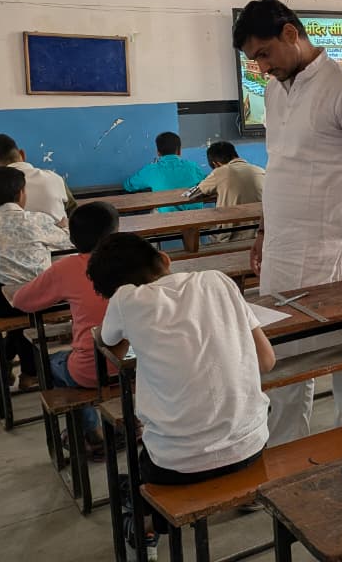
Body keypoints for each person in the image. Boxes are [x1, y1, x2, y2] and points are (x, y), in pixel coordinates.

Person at [233, 0, 342, 442]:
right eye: (254, 60)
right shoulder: (274, 91)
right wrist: (263, 231)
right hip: (282, 250)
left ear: (291, 33)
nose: (262, 67)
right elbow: (280, 166)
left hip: (333, 253)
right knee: (283, 358)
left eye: (264, 53)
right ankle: (288, 451)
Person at [90, 232, 275, 558]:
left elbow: (107, 341)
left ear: (116, 290)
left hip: (176, 466)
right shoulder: (217, 281)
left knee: (143, 454)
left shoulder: (126, 301)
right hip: (250, 446)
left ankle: (147, 525)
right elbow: (266, 361)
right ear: (165, 259)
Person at [12, 202, 120, 458]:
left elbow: (21, 301)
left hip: (93, 369)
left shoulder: (67, 268)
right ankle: (132, 423)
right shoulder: (135, 263)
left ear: (71, 238)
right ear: (116, 234)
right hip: (140, 361)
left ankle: (92, 433)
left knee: (50, 363)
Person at [0, 167, 73, 390]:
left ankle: (14, 365)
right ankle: (28, 372)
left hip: (4, 301)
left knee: (11, 313)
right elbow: (66, 242)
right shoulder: (38, 220)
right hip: (45, 296)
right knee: (21, 322)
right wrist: (63, 228)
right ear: (21, 194)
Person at [0, 133, 77, 224]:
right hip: (60, 243)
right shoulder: (54, 178)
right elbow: (72, 210)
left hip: (13, 243)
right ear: (22, 154)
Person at [197, 141, 266, 241]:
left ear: (216, 164)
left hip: (231, 236)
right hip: (260, 233)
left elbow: (197, 192)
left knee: (210, 231)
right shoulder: (260, 170)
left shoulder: (220, 172)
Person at [123, 132, 207, 212]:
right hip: (195, 216)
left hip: (168, 218)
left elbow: (128, 185)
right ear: (179, 151)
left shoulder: (151, 170)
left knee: (155, 211)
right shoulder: (192, 166)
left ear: (158, 153)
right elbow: (206, 181)